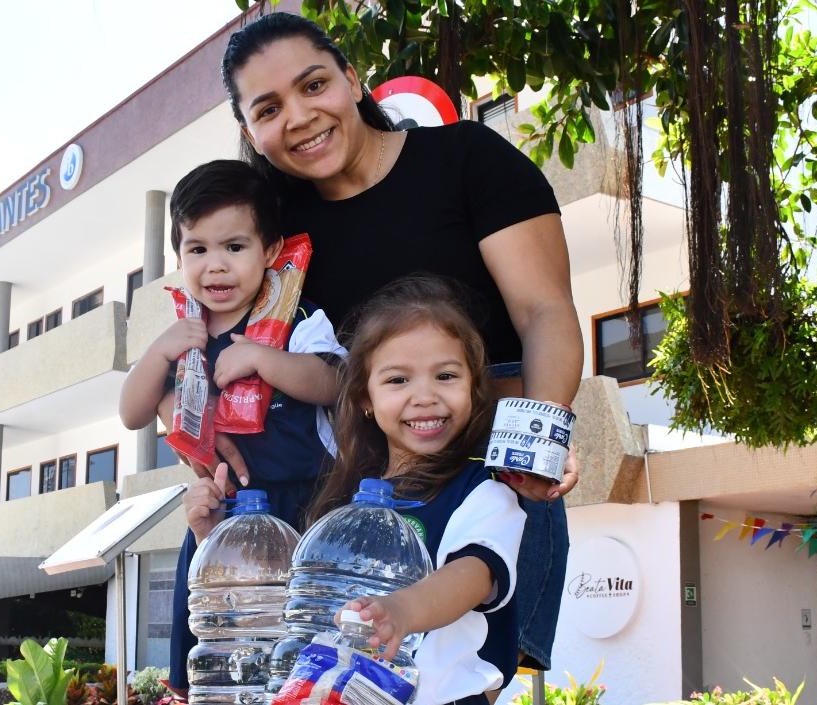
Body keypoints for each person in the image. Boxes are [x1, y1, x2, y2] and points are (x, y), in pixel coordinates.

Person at [174, 11, 584, 686]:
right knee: (328, 672)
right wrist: (200, 435)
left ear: (352, 78)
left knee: (465, 663)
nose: (300, 116)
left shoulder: (467, 160)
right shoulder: (268, 228)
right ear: (249, 130)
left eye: (313, 86)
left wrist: (534, 442)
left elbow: (543, 309)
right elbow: (212, 331)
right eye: (269, 108)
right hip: (343, 470)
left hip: (489, 442)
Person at [186, 276, 526, 705]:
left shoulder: (485, 494)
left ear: (474, 392)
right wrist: (213, 538)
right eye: (398, 380)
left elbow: (472, 576)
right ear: (364, 397)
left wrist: (401, 613)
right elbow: (299, 604)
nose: (424, 396)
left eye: (445, 375)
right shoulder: (339, 499)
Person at [117, 159, 347, 682]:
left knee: (296, 660)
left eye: (234, 247)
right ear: (179, 254)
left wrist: (266, 360)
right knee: (217, 663)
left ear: (270, 251)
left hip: (303, 513)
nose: (215, 266)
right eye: (197, 249)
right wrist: (158, 356)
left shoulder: (299, 317)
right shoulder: (183, 332)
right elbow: (132, 411)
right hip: (216, 523)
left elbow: (335, 383)